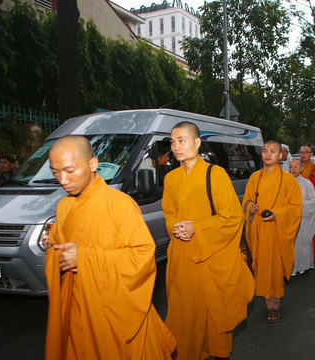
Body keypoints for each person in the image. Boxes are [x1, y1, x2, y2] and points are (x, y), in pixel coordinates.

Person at [44, 135, 175, 360]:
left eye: (69, 170)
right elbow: (56, 248)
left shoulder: (120, 204)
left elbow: (142, 255)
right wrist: (58, 256)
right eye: (56, 172)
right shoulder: (64, 206)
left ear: (92, 164)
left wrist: (84, 258)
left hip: (115, 312)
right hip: (79, 307)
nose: (63, 180)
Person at [162, 122, 254, 359]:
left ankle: (217, 352)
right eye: (173, 142)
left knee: (214, 311)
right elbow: (168, 211)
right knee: (184, 314)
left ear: (197, 142)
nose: (176, 147)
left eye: (182, 140)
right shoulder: (171, 178)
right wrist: (176, 228)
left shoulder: (216, 174)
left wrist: (197, 229)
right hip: (183, 255)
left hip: (211, 255)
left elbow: (232, 217)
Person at [243, 140, 302, 323]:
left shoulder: (288, 180)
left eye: (273, 151)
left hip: (276, 231)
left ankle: (273, 305)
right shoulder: (254, 178)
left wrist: (278, 214)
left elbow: (295, 208)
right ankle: (263, 295)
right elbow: (246, 200)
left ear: (281, 155)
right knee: (261, 266)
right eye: (265, 151)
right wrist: (250, 208)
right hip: (259, 230)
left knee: (274, 268)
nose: (268, 154)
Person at [289, 158, 315, 275]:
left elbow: (313, 201)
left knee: (302, 243)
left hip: (303, 219)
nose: (294, 169)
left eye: (296, 167)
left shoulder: (307, 183)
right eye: (291, 167)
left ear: (301, 169)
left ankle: (304, 265)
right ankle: (291, 267)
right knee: (291, 244)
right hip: (288, 219)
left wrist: (298, 206)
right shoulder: (284, 182)